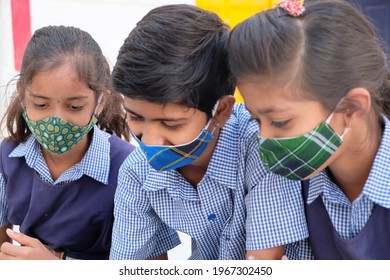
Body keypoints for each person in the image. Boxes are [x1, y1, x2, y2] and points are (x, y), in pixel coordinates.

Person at [109, 4, 301, 260]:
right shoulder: (136, 173)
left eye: (171, 124)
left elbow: (263, 265)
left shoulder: (262, 150)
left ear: (221, 111)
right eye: (135, 117)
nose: (152, 141)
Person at [228, 0, 390, 259]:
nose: (264, 140)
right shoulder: (288, 179)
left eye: (280, 122)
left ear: (351, 107)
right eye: (256, 120)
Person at [0, 25, 135, 260]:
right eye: (41, 105)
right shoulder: (7, 157)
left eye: (74, 107)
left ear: (100, 102)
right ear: (23, 95)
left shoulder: (129, 168)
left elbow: (149, 267)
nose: (57, 121)